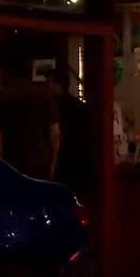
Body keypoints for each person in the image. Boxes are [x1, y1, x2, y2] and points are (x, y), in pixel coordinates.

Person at [0, 60, 60, 180]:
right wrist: (53, 164)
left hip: (11, 161)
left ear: (11, 74)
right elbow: (55, 134)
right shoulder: (45, 96)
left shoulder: (3, 96)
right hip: (40, 161)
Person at [49, 67, 92, 197]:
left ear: (57, 85)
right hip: (80, 162)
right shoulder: (80, 106)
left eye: (49, 83)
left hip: (63, 162)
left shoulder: (53, 107)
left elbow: (55, 136)